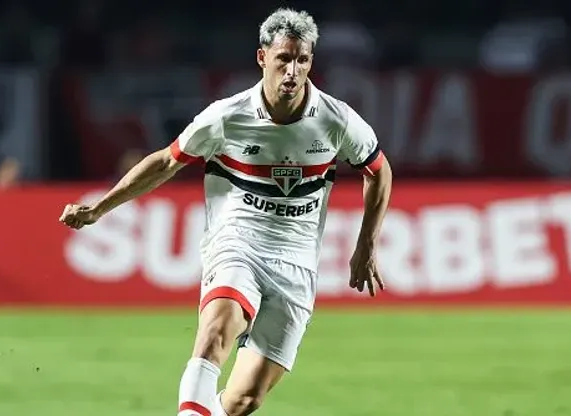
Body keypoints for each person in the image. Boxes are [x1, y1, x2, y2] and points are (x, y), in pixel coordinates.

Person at [59, 8, 392, 416]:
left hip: (297, 263)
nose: (292, 70)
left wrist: (366, 245)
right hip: (238, 245)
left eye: (302, 60)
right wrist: (99, 209)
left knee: (241, 401)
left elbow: (379, 171)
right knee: (215, 334)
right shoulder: (227, 116)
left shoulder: (335, 120)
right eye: (284, 58)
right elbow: (166, 161)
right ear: (262, 58)